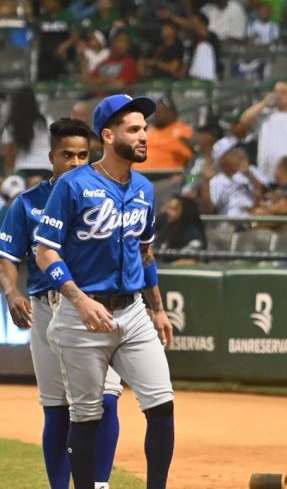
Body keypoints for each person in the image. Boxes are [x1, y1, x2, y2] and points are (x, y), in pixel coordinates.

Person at [34, 94, 175, 489]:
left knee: (162, 404)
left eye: (145, 128)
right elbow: (45, 251)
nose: (144, 135)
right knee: (86, 416)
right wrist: (77, 299)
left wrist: (157, 308)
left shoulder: (144, 188)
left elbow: (145, 252)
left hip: (132, 311)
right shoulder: (73, 185)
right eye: (134, 129)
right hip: (82, 316)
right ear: (109, 136)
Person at [0, 118, 122, 489]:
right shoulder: (28, 203)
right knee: (56, 408)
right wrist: (12, 292)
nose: (75, 162)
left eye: (83, 155)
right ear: (52, 156)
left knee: (107, 399)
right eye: (67, 155)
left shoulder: (110, 196)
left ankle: (99, 484)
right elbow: (8, 255)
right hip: (47, 307)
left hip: (97, 306)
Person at [240, 81, 287, 185]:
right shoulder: (265, 114)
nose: (279, 96)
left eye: (283, 92)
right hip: (264, 173)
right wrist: (264, 103)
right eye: (276, 92)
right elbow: (244, 119)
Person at [2, 86, 55, 178]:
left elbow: (9, 154)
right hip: (46, 167)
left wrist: (9, 176)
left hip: (23, 169)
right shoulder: (47, 121)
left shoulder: (11, 126)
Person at [134, 98, 194, 172]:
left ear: (172, 114)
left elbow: (191, 156)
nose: (157, 115)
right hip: (137, 173)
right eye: (156, 112)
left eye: (161, 112)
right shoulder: (148, 131)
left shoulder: (183, 130)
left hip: (166, 175)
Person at [155, 194, 206, 260]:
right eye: (168, 208)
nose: (168, 212)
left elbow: (191, 260)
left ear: (185, 212)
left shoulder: (193, 234)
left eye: (173, 209)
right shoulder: (164, 229)